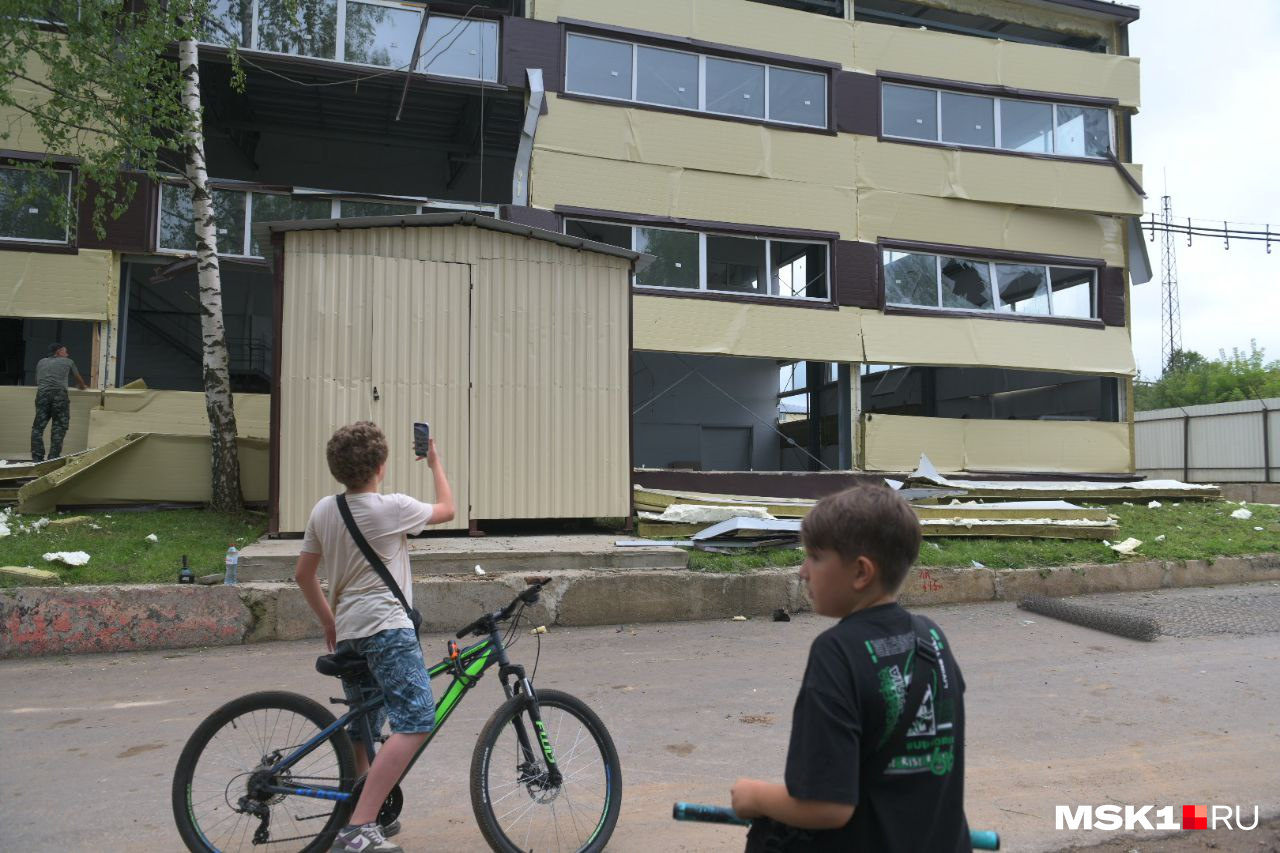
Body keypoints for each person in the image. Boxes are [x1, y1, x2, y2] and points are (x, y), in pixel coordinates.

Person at [730, 485, 971, 852]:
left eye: (814, 557)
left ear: (861, 572)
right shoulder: (932, 639)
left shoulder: (836, 654)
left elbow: (828, 806)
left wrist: (755, 797)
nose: (802, 571)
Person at [294, 421, 455, 853]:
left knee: (365, 726)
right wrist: (434, 462)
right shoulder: (392, 508)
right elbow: (448, 508)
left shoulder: (324, 510)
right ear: (380, 466)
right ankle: (359, 828)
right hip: (387, 629)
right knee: (419, 718)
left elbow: (303, 574)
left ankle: (362, 810)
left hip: (349, 632)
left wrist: (329, 619)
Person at [30, 342, 87, 463]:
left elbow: (37, 380)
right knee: (59, 427)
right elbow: (78, 379)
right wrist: (82, 386)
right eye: (65, 351)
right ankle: (53, 459)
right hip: (59, 396)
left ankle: (37, 458)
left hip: (42, 395)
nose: (67, 354)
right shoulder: (68, 362)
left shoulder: (41, 362)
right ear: (58, 352)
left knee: (37, 428)